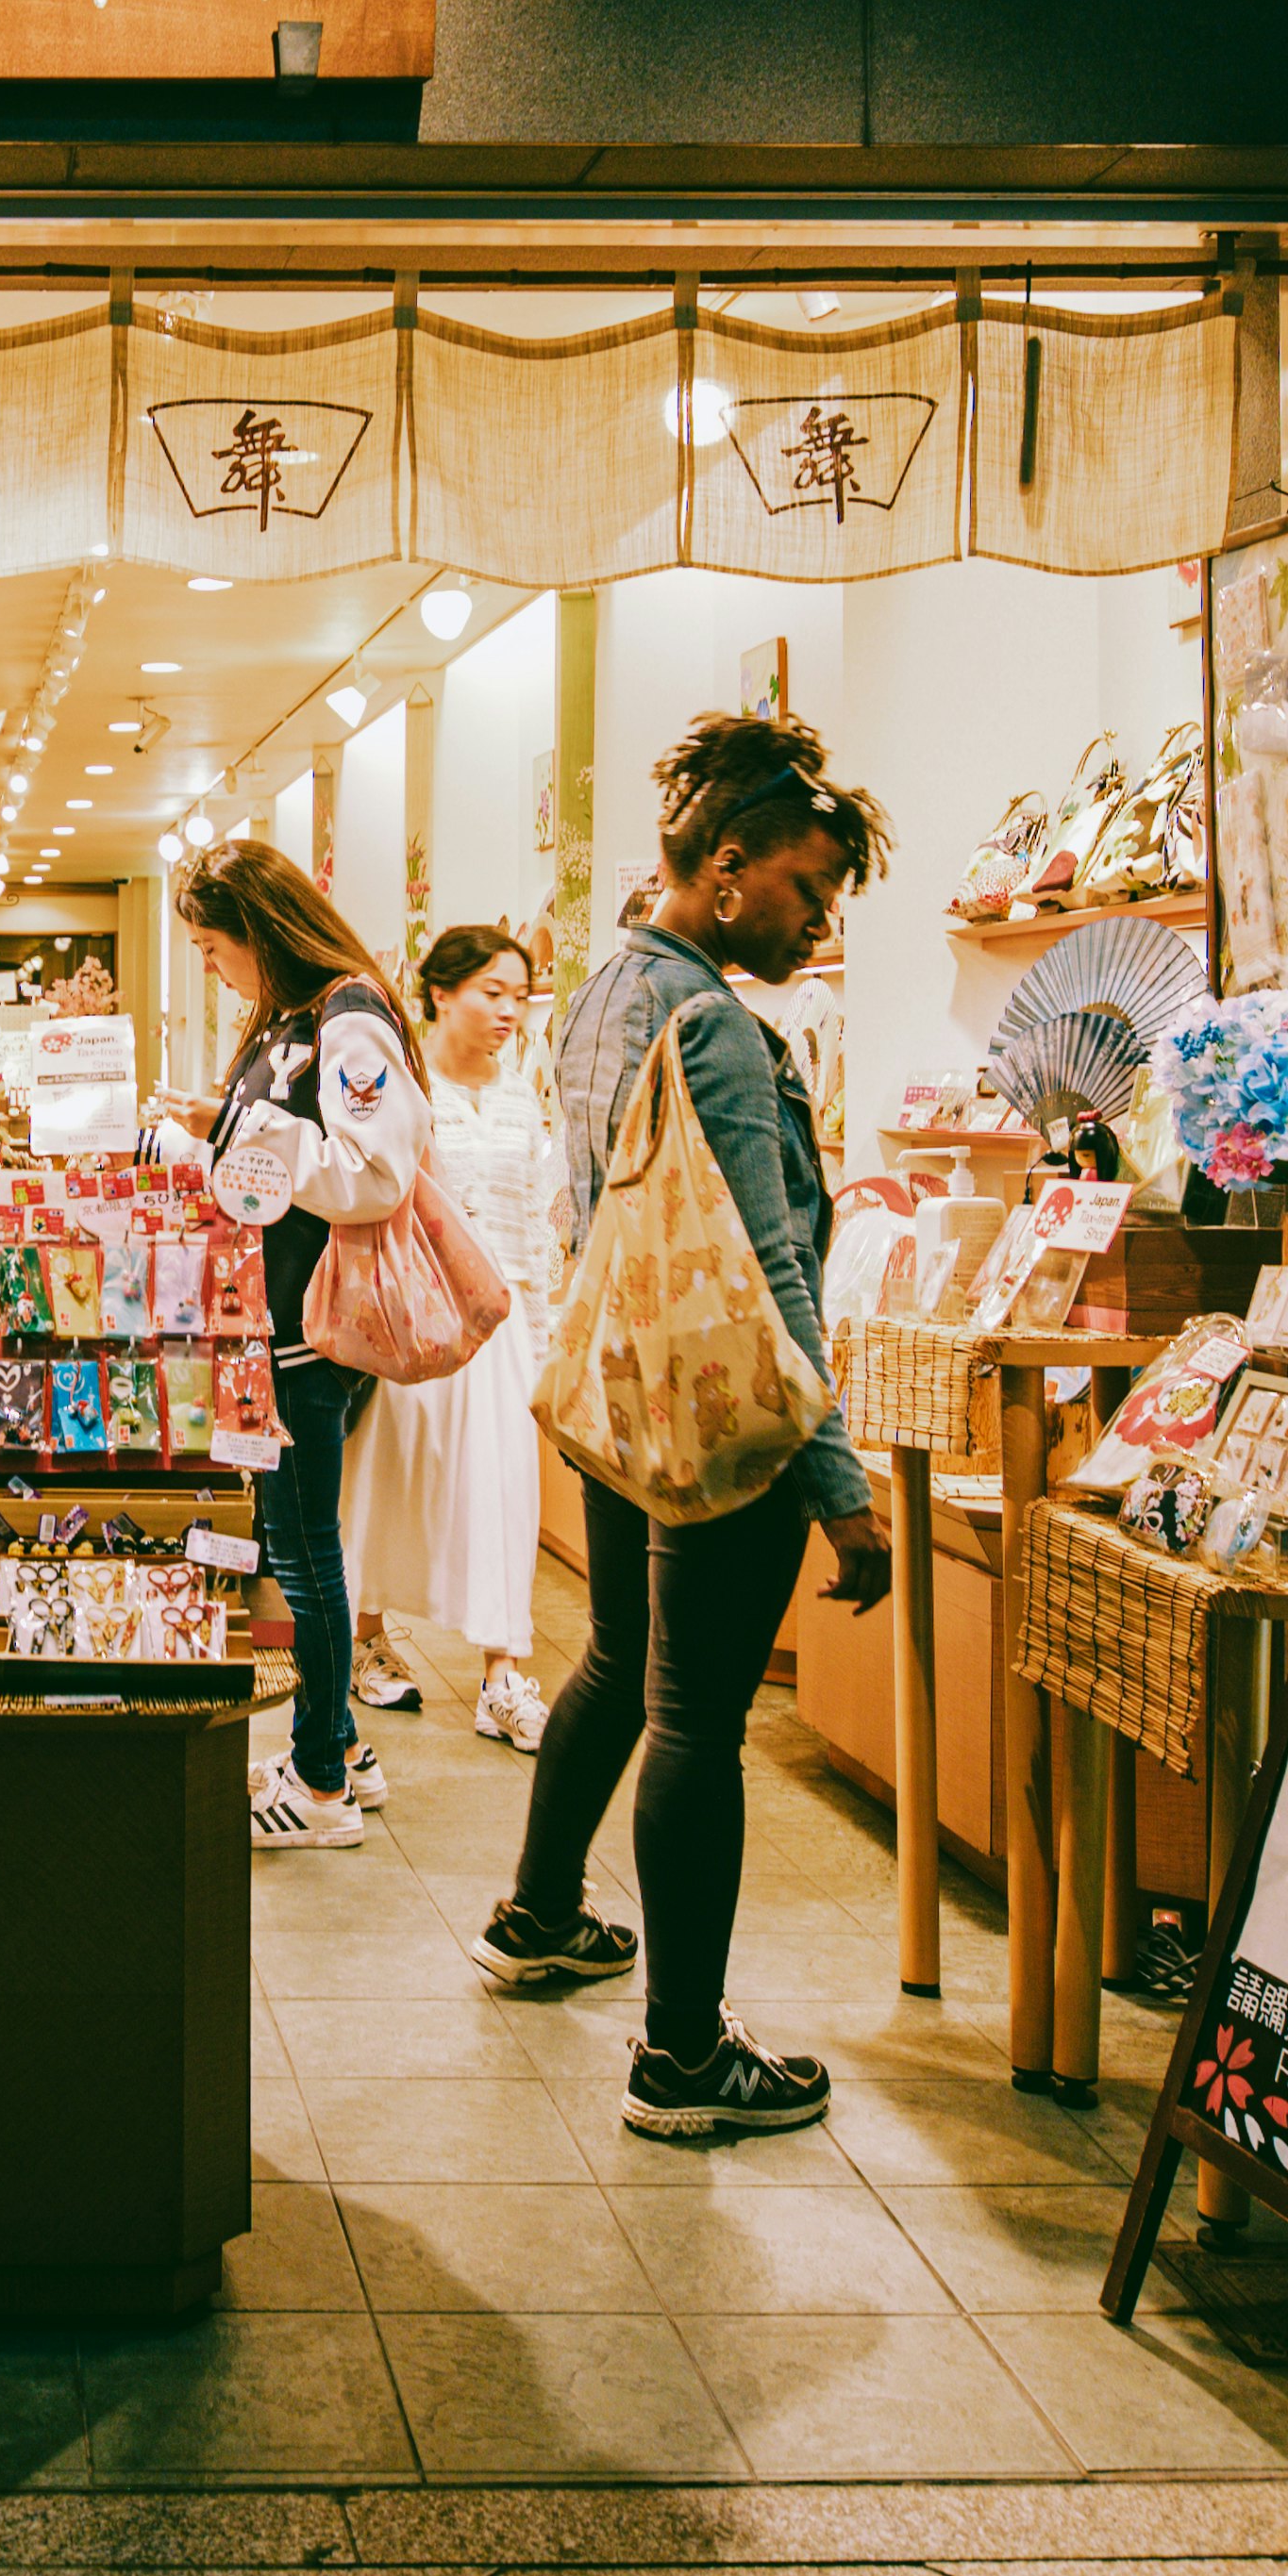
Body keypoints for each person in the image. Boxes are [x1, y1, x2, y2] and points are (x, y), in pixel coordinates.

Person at [477, 713, 895, 2138]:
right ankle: (682, 2055)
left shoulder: (602, 995)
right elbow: (766, 1263)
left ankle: (540, 1910)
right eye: (807, 887)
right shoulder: (713, 1021)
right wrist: (838, 1479)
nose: (818, 918)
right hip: (724, 1418)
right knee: (697, 1723)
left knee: (613, 1652)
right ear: (726, 868)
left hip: (618, 1393)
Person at [165, 838, 429, 1851]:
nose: (208, 964)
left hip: (313, 1328)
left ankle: (321, 1782)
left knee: (304, 1552)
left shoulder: (349, 1015)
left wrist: (239, 1139)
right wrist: (217, 1117)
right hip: (271, 1317)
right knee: (300, 1542)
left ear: (260, 931)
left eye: (210, 943)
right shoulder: (285, 1019)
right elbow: (287, 1134)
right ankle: (342, 1747)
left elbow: (374, 1170)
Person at [342, 924, 560, 1751]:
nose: (509, 1010)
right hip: (413, 1322)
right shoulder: (404, 1085)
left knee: (504, 1491)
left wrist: (538, 1330)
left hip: (500, 1323)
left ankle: (503, 1671)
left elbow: (536, 1219)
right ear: (441, 993)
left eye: (518, 995)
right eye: (490, 992)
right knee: (391, 1478)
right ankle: (368, 1638)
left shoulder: (519, 1094)